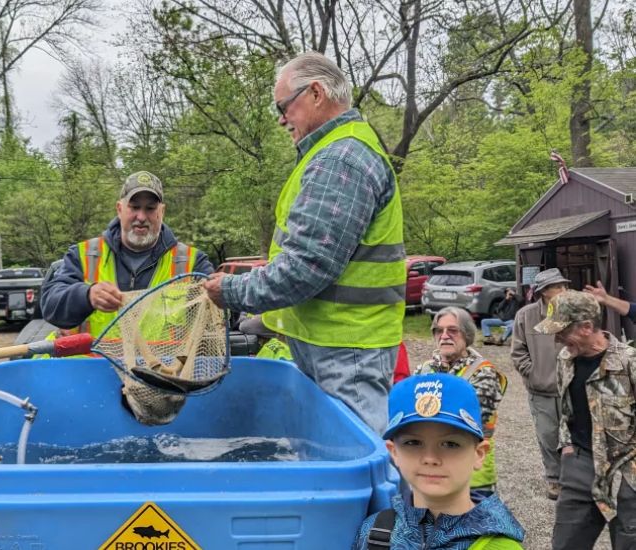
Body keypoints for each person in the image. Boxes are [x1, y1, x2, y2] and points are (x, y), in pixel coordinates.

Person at [203, 51, 404, 434]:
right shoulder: (333, 152)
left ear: (315, 93)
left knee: (361, 463)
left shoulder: (339, 159)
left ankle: (399, 500)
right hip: (339, 344)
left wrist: (229, 289)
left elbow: (307, 267)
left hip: (347, 350)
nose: (281, 118)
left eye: (283, 106)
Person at [352, 373, 525, 549]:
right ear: (393, 452)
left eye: (450, 444)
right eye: (413, 442)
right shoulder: (374, 532)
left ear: (479, 454)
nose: (430, 458)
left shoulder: (501, 546)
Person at [40, 170, 213, 333]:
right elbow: (50, 306)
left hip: (166, 366)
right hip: (92, 365)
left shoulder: (193, 262)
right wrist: (86, 295)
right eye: (134, 207)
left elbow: (215, 318)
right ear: (119, 209)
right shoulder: (82, 254)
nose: (141, 217)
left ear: (162, 211)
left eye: (150, 208)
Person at [534, 290, 636, 549]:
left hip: (629, 468)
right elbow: (567, 409)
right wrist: (567, 447)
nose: (557, 339)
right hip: (581, 462)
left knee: (628, 540)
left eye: (562, 331)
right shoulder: (565, 360)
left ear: (587, 327)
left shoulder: (628, 362)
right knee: (567, 542)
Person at [414, 307, 507, 497]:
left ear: (467, 334)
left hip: (472, 475)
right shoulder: (424, 369)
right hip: (428, 469)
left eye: (452, 330)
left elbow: (467, 422)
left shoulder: (484, 372)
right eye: (439, 331)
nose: (444, 336)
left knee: (473, 526)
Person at [510, 267, 569, 501]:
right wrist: (533, 374)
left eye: (564, 286)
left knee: (575, 436)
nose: (563, 290)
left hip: (572, 388)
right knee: (548, 436)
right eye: (558, 287)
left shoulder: (573, 312)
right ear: (544, 292)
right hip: (541, 389)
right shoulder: (526, 315)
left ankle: (575, 481)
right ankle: (554, 480)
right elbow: (517, 352)